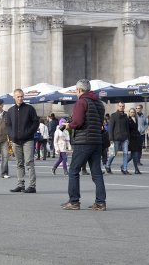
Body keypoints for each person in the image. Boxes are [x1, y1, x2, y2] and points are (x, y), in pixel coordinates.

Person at [62, 79, 107, 211]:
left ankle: (74, 201)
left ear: (79, 90)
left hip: (83, 141)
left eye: (76, 90)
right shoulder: (99, 103)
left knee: (74, 170)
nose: (76, 93)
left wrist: (68, 126)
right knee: (97, 173)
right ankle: (100, 202)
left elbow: (77, 122)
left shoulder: (81, 102)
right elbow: (99, 122)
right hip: (97, 141)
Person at [5, 88, 39, 194]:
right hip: (15, 141)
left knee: (29, 162)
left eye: (21, 96)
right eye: (18, 96)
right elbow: (8, 125)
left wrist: (29, 133)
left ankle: (32, 186)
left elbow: (35, 123)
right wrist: (12, 134)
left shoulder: (29, 109)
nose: (20, 98)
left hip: (28, 140)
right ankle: (20, 184)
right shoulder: (10, 111)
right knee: (19, 163)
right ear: (14, 97)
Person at [106, 101, 130, 175]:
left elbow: (127, 128)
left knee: (125, 153)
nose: (121, 107)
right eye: (120, 106)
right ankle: (107, 165)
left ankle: (124, 169)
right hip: (116, 138)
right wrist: (111, 139)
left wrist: (128, 137)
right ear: (117, 106)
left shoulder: (126, 116)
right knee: (113, 153)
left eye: (123, 106)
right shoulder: (113, 116)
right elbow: (110, 128)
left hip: (125, 138)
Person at [126, 108, 142, 174]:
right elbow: (127, 130)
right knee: (135, 154)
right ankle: (136, 169)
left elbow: (136, 128)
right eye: (131, 112)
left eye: (133, 112)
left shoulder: (136, 119)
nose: (132, 113)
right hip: (132, 139)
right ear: (129, 113)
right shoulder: (128, 120)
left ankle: (123, 165)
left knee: (133, 155)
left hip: (137, 138)